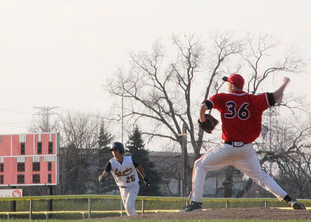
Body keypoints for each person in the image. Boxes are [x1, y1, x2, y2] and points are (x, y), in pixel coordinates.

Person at [180, 74, 306, 212]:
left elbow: (203, 107)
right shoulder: (253, 100)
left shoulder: (223, 98)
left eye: (228, 83)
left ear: (233, 86)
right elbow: (275, 96)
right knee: (261, 177)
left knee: (200, 165)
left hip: (226, 148)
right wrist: (284, 83)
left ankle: (196, 203)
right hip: (246, 151)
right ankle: (290, 200)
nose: (227, 85)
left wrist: (203, 120)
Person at [98, 142, 151, 216]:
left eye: (116, 150)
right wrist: (102, 177)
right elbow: (105, 172)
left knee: (129, 206)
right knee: (128, 209)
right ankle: (137, 219)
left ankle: (137, 220)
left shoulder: (129, 160)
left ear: (121, 151)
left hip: (133, 186)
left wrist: (144, 178)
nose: (114, 152)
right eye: (113, 151)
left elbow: (138, 167)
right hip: (122, 188)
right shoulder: (111, 163)